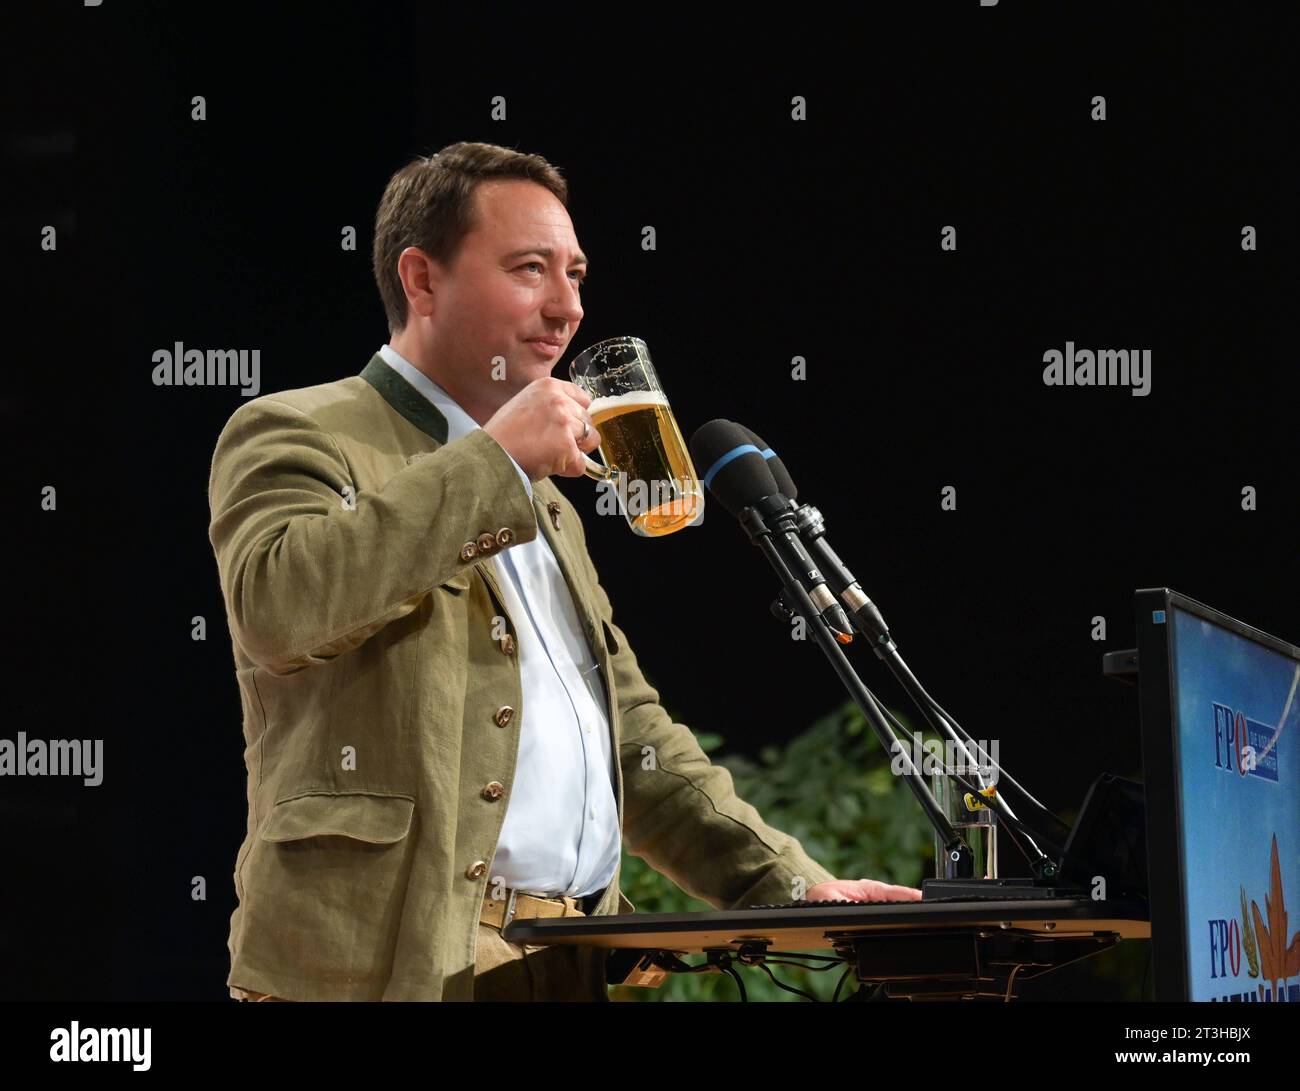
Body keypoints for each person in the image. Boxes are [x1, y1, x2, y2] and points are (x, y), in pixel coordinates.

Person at [207, 141, 922, 1003]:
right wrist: (498, 459)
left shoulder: (543, 500)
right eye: (530, 269)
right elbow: (279, 606)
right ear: (422, 280)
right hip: (377, 971)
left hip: (567, 958)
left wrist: (793, 887)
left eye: (576, 274)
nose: (568, 306)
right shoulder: (299, 428)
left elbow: (631, 738)